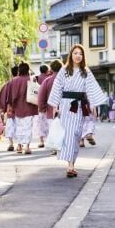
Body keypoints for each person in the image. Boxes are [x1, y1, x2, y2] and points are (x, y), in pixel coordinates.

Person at [47, 44, 107, 178]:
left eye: (80, 53)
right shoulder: (64, 70)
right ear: (71, 55)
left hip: (79, 106)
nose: (78, 55)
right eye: (75, 53)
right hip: (66, 105)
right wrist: (55, 105)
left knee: (76, 135)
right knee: (68, 134)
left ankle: (72, 163)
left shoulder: (86, 71)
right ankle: (70, 165)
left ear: (83, 56)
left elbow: (91, 89)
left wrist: (93, 104)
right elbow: (57, 88)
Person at [4, 62, 38, 154]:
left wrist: (10, 106)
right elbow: (36, 91)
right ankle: (27, 147)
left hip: (17, 107)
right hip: (29, 106)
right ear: (28, 70)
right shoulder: (31, 79)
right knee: (28, 127)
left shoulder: (14, 80)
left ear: (19, 70)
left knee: (19, 126)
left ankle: (19, 145)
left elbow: (9, 95)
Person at [37, 59, 62, 155]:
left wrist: (42, 107)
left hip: (51, 109)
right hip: (66, 108)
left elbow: (41, 95)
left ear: (51, 69)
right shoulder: (68, 79)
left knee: (53, 128)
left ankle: (55, 147)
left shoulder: (48, 80)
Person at [0, 66, 18, 151]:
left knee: (10, 126)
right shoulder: (25, 82)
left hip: (10, 109)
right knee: (21, 126)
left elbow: (3, 97)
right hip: (20, 109)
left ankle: (11, 143)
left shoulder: (8, 84)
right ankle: (20, 144)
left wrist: (1, 110)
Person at [35, 64, 51, 148]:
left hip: (38, 103)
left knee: (40, 123)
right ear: (47, 70)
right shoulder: (49, 78)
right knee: (49, 123)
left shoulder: (36, 78)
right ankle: (49, 140)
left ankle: (41, 141)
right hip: (49, 103)